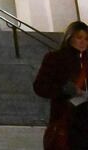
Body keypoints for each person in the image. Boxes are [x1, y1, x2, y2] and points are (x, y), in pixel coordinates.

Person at [34, 20, 88, 150]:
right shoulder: (55, 58)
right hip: (68, 119)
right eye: (79, 38)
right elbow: (40, 86)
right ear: (69, 38)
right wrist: (65, 89)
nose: (83, 42)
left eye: (86, 39)